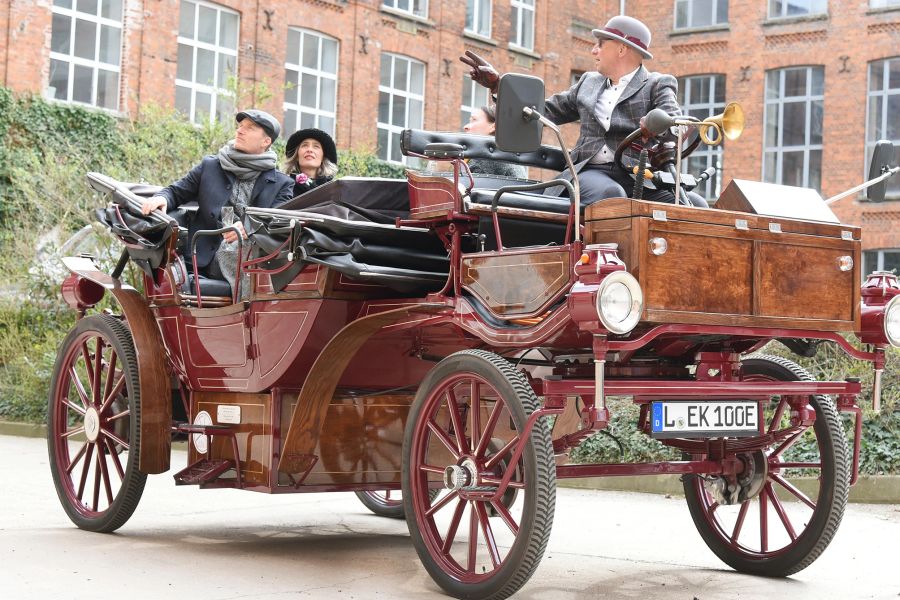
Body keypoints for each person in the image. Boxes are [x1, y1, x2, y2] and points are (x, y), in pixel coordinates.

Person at [461, 15, 693, 206]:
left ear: (621, 49)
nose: (594, 51)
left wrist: (655, 128)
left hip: (638, 176)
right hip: (589, 170)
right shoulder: (588, 82)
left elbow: (674, 123)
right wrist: (498, 85)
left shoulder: (657, 84)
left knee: (693, 203)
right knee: (610, 196)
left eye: (600, 45)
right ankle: (606, 260)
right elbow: (542, 112)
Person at [141, 109, 294, 291]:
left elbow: (279, 222)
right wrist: (162, 198)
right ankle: (247, 308)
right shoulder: (211, 166)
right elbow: (175, 192)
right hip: (203, 256)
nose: (240, 131)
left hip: (250, 258)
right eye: (240, 126)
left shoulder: (283, 183)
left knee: (246, 244)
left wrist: (250, 226)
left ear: (266, 141)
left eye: (250, 128)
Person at [463, 105, 528, 178]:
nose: (465, 126)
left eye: (474, 120)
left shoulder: (486, 158)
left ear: (493, 127)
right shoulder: (506, 154)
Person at [284, 128, 338, 197]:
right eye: (305, 145)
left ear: (323, 158)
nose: (309, 150)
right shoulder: (285, 186)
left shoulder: (334, 190)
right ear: (296, 156)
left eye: (316, 146)